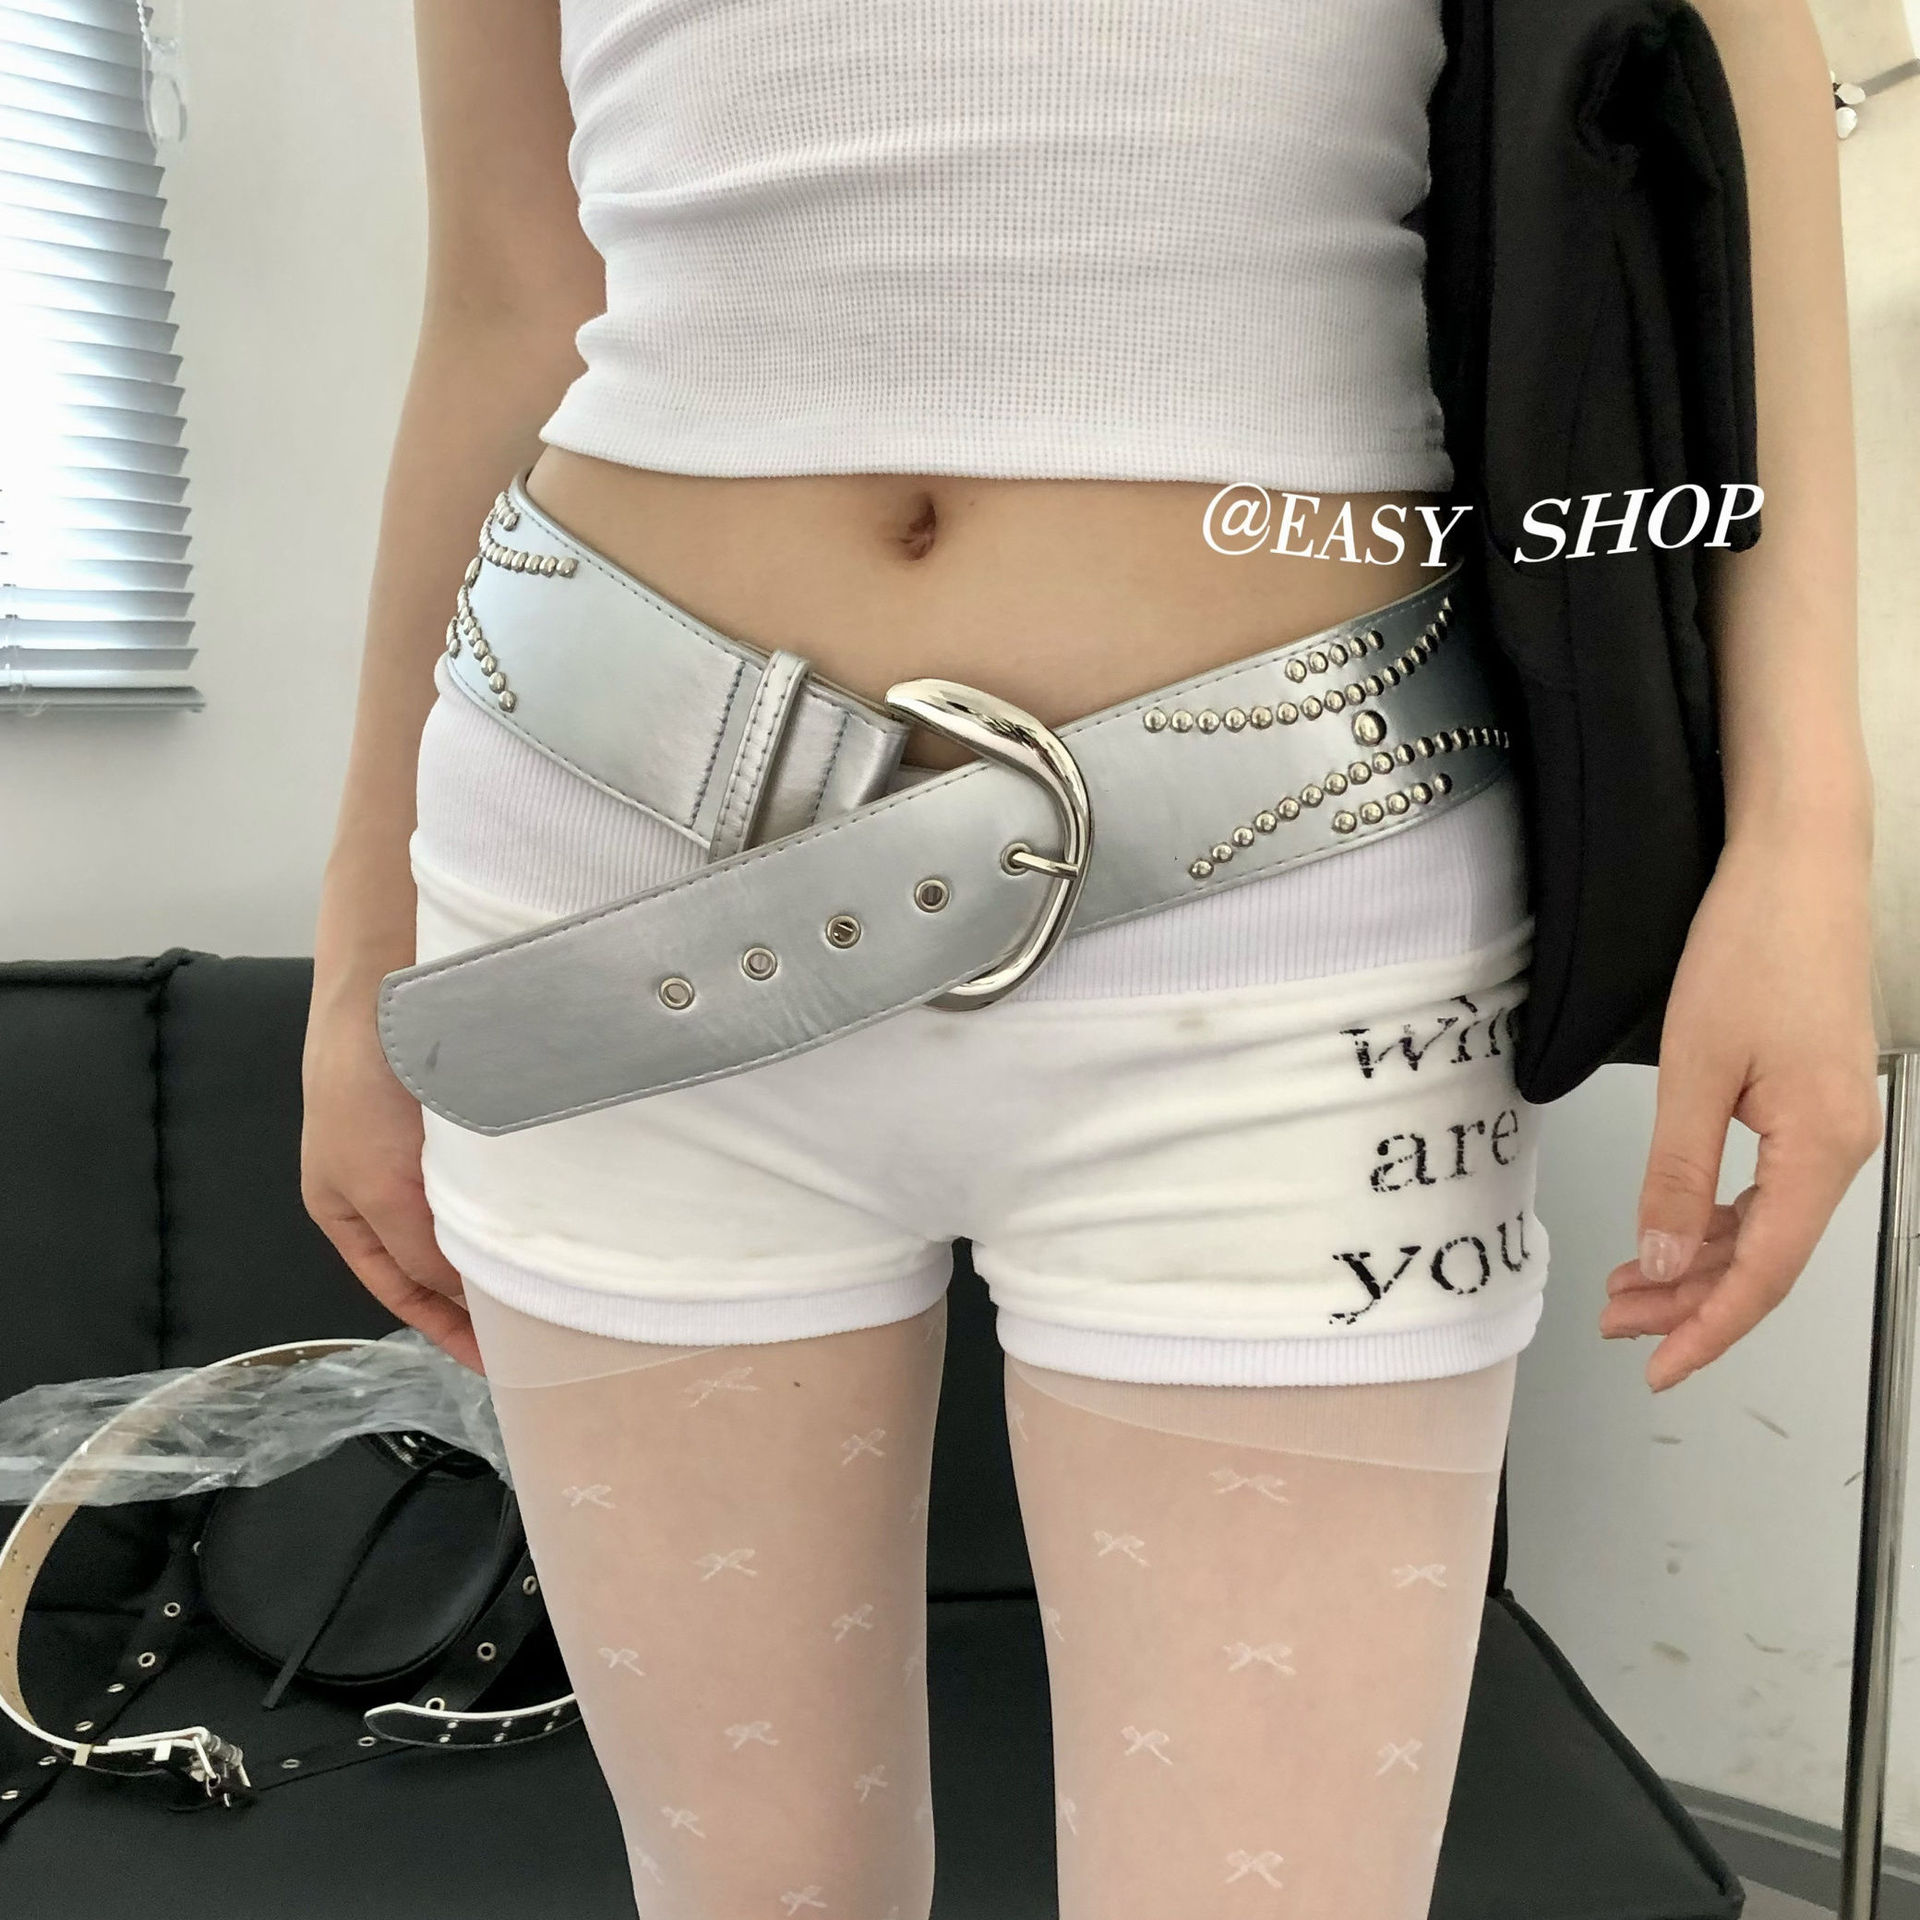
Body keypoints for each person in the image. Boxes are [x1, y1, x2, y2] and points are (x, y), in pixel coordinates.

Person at [301, 1, 1882, 1912]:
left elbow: (1735, 126)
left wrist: (1806, 841)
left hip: (1298, 895)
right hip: (608, 878)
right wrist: (359, 943)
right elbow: (505, 295)